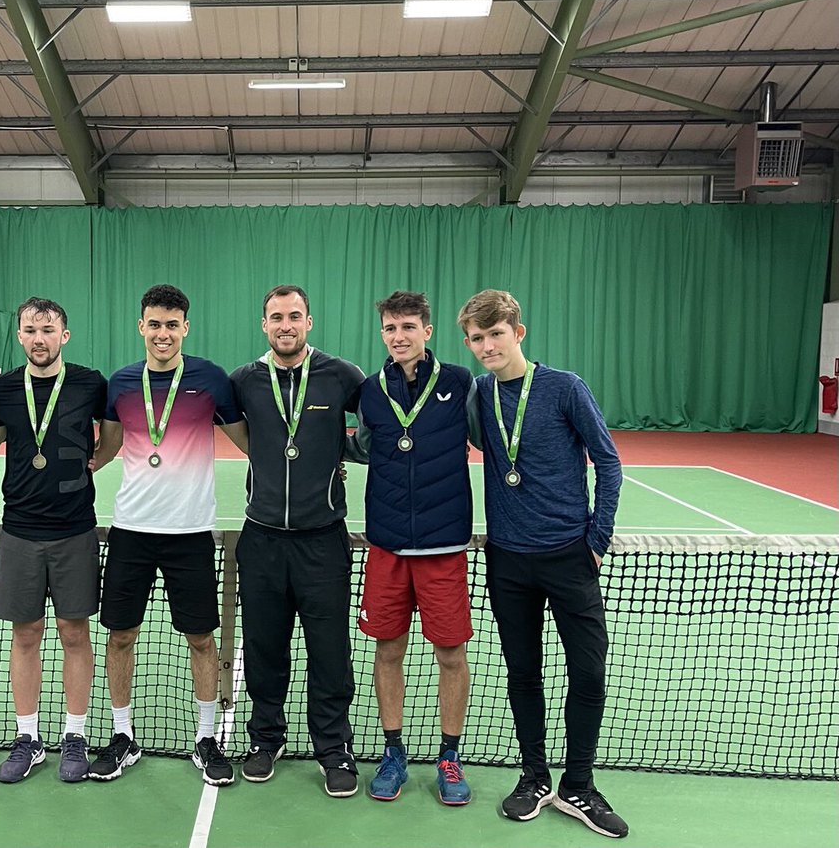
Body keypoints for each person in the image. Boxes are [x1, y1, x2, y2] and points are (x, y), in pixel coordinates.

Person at [458, 289, 627, 839]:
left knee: (589, 672)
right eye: (477, 338)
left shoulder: (565, 387)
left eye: (496, 334)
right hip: (508, 561)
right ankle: (534, 777)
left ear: (518, 333)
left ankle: (579, 785)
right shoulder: (478, 393)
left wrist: (597, 539)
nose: (488, 346)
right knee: (523, 673)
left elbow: (608, 461)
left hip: (570, 557)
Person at [90, 284, 246, 786]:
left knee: (201, 638)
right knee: (120, 636)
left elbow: (250, 441)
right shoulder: (121, 383)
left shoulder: (210, 380)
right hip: (131, 530)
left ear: (185, 328)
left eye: (172, 325)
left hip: (190, 532)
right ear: (141, 326)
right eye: (154, 324)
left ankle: (206, 738)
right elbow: (108, 448)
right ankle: (122, 736)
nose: (163, 333)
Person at [229, 284, 365, 798]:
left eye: (294, 316)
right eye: (276, 317)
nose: (285, 325)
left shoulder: (341, 375)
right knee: (264, 648)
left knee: (330, 652)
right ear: (264, 325)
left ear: (309, 322)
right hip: (262, 539)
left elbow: (379, 422)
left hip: (323, 541)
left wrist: (341, 451)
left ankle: (333, 747)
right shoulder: (244, 380)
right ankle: (266, 738)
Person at [346, 290, 479, 804]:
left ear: (427, 330)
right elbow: (361, 445)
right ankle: (393, 752)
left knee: (451, 654)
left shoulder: (459, 383)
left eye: (407, 327)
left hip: (444, 546)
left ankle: (450, 755)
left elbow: (487, 437)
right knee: (387, 651)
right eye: (390, 328)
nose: (398, 337)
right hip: (387, 547)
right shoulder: (370, 390)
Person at [0, 298, 107, 784]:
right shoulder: (1, 390)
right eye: (31, 330)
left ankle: (75, 735)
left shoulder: (90, 384)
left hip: (75, 529)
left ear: (64, 335)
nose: (39, 339)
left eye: (48, 330)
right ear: (19, 335)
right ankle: (28, 738)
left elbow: (112, 437)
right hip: (19, 530)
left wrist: (95, 462)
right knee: (26, 634)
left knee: (75, 633)